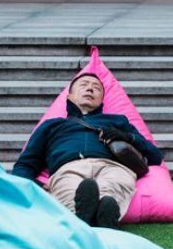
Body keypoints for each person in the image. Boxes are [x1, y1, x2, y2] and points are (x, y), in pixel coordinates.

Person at [10, 73, 163, 228]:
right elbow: (25, 164)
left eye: (96, 88)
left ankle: (93, 219)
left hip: (114, 167)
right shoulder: (52, 125)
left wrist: (128, 137)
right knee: (72, 195)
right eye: (84, 85)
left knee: (109, 194)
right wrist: (32, 185)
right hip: (68, 168)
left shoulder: (117, 121)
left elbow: (155, 156)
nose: (90, 89)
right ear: (69, 96)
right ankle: (96, 221)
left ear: (101, 100)